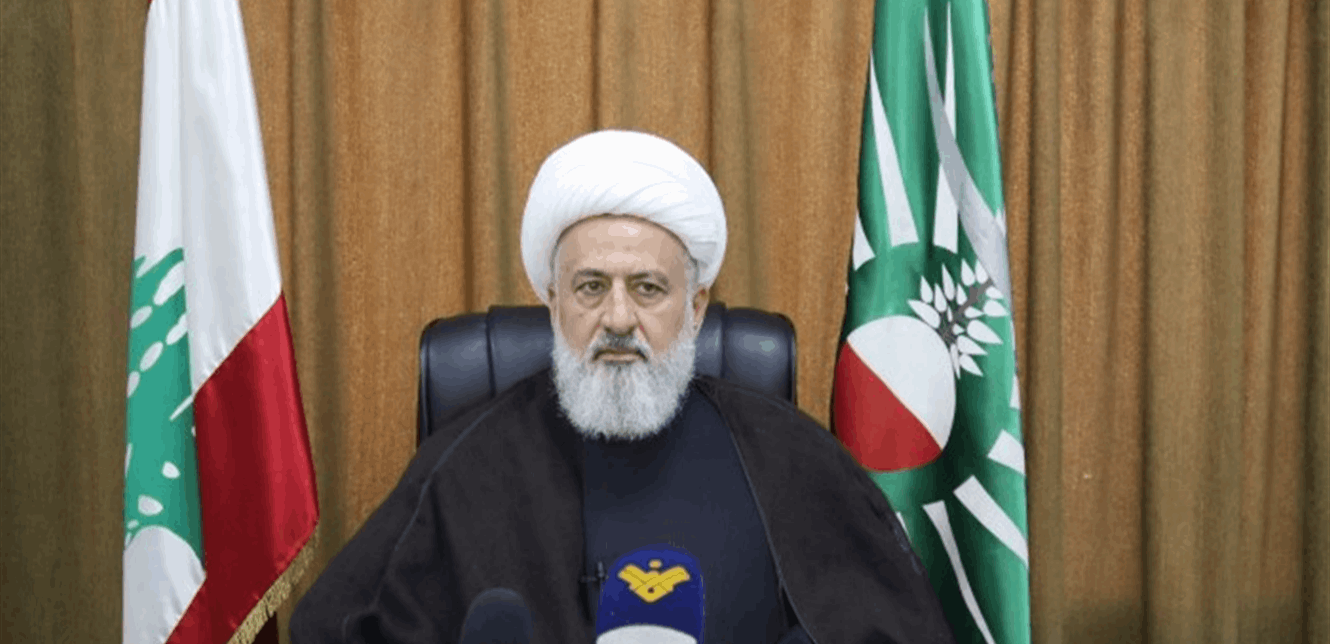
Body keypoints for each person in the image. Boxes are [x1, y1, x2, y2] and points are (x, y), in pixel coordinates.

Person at [290, 130, 954, 644]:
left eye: (647, 288)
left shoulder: (791, 457)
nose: (616, 318)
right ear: (553, 303)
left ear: (695, 308)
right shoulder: (464, 466)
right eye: (590, 287)